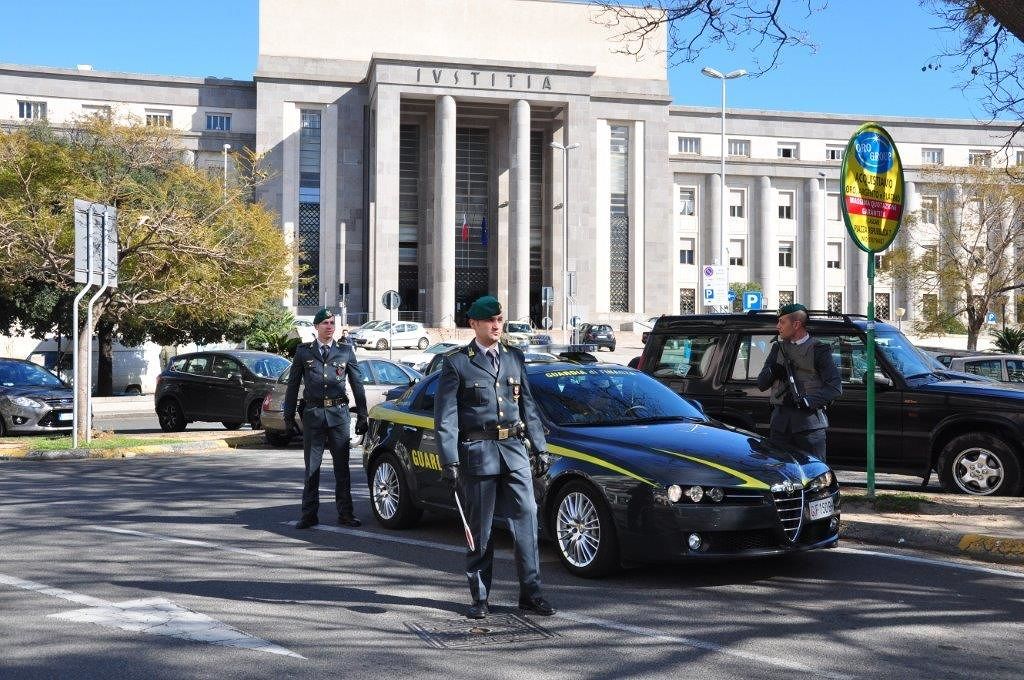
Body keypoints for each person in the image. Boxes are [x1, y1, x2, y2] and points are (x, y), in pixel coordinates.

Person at [434, 295, 554, 620]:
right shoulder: (457, 362)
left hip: (514, 451)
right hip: (479, 453)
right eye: (490, 320)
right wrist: (449, 460)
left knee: (527, 521)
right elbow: (446, 417)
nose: (496, 325)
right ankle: (480, 597)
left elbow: (528, 407)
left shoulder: (514, 357)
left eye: (499, 319)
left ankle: (531, 594)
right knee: (481, 529)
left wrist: (540, 448)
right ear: (473, 324)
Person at [283, 307, 368, 529]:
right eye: (325, 323)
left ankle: (346, 514)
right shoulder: (303, 352)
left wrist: (362, 414)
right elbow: (293, 386)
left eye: (332, 323)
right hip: (313, 415)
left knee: (342, 468)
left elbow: (357, 384)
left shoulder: (345, 351)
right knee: (312, 468)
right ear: (316, 327)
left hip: (339, 415)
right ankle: (309, 514)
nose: (329, 327)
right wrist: (288, 416)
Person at [756, 303, 842, 460]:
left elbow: (834, 388)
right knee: (780, 470)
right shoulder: (777, 348)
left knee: (814, 470)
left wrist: (807, 402)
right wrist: (772, 371)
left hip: (809, 426)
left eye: (782, 322)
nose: (778, 326)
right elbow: (761, 384)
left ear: (796, 324)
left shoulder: (819, 349)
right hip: (780, 426)